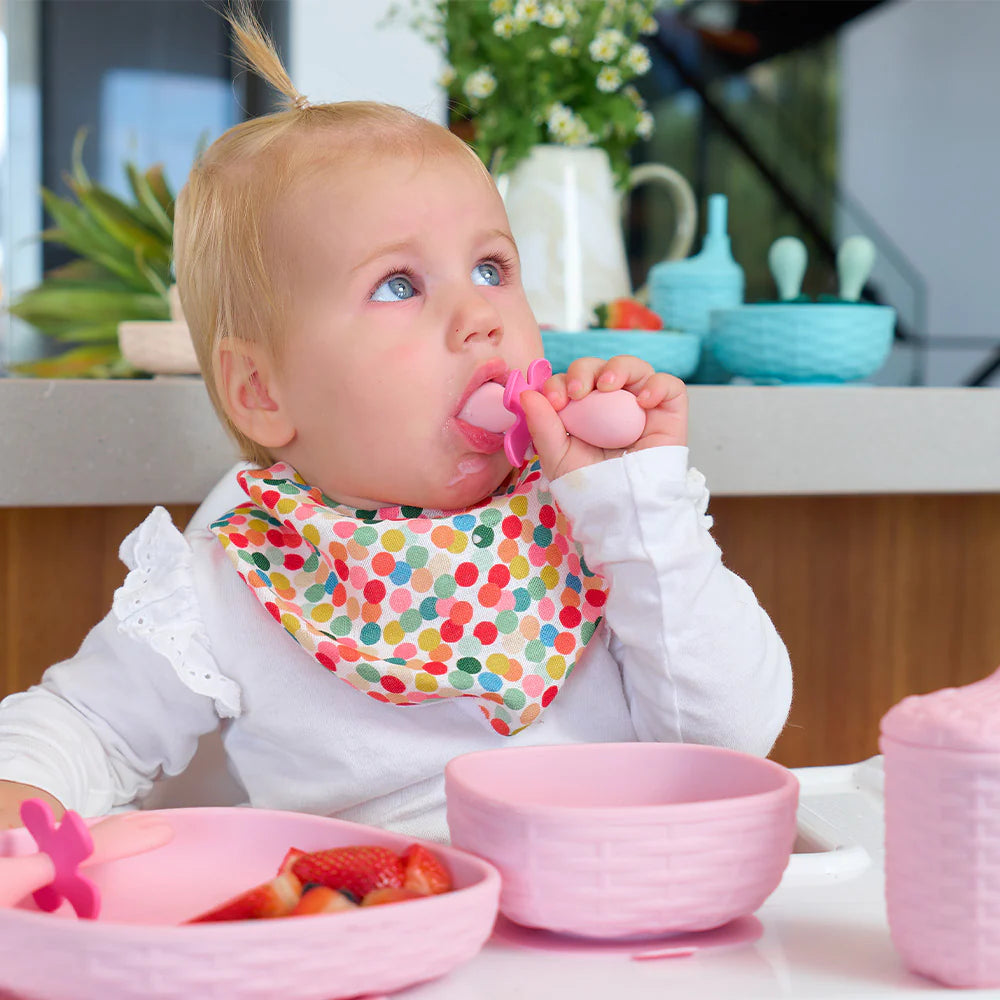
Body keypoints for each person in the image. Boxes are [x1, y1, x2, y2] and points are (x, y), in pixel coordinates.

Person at [0, 6, 791, 839]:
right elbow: (85, 728)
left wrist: (639, 510)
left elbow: (732, 740)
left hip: (626, 914)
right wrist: (24, 800)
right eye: (399, 285)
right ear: (262, 391)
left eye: (492, 267)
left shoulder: (589, 517)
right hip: (390, 931)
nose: (478, 315)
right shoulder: (228, 581)